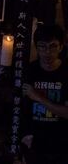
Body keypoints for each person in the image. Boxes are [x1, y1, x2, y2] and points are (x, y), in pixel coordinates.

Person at [21, 24, 68, 163]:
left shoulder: (66, 72)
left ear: (60, 47)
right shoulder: (30, 70)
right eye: (42, 46)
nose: (47, 52)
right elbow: (22, 107)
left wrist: (37, 97)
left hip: (61, 139)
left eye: (53, 46)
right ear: (36, 47)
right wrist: (24, 135)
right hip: (34, 140)